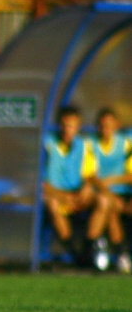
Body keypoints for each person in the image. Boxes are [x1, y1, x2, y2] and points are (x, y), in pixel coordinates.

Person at [41, 105, 109, 267]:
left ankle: (89, 247)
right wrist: (63, 196)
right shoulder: (48, 144)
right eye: (64, 125)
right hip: (56, 194)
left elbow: (90, 174)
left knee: (104, 201)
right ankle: (74, 253)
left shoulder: (83, 146)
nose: (67, 130)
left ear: (78, 127)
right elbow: (40, 182)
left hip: (77, 195)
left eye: (71, 126)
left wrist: (86, 188)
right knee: (52, 204)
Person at [88, 107, 132, 272]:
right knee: (108, 205)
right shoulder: (91, 143)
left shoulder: (126, 143)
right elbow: (89, 175)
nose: (105, 129)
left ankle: (99, 247)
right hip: (101, 194)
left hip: (122, 193)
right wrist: (105, 188)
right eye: (102, 125)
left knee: (110, 207)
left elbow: (130, 175)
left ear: (116, 125)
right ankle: (121, 253)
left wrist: (110, 180)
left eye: (109, 125)